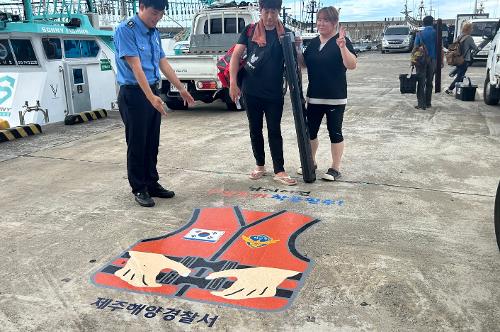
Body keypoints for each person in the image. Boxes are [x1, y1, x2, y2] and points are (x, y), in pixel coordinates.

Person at [114, 0, 195, 207]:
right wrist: (150, 97)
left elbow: (163, 62)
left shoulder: (153, 32)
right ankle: (139, 188)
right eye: (153, 13)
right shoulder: (126, 30)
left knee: (152, 142)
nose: (157, 18)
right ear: (141, 7)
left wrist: (181, 88)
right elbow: (135, 67)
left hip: (152, 91)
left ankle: (152, 183)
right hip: (134, 94)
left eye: (160, 14)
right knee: (137, 143)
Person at [229, 0, 297, 186]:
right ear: (260, 10)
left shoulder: (286, 34)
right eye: (266, 11)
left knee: (275, 130)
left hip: (274, 92)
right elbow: (236, 56)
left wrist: (297, 47)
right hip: (251, 91)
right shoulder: (250, 31)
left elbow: (295, 63)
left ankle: (279, 169)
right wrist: (233, 83)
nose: (269, 17)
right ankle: (260, 165)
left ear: (278, 12)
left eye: (273, 12)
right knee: (255, 129)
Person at [296, 6, 357, 181]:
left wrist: (343, 47)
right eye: (319, 20)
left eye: (326, 20)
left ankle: (335, 168)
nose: (321, 23)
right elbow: (304, 64)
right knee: (311, 132)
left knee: (335, 132)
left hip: (335, 97)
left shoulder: (341, 40)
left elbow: (351, 65)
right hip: (314, 96)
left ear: (334, 23)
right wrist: (299, 49)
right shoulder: (314, 42)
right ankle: (311, 161)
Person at [445, 22, 479, 95]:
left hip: (458, 58)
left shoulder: (459, 36)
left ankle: (458, 90)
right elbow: (475, 48)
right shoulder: (469, 38)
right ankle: (450, 89)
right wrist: (477, 48)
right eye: (471, 28)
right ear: (469, 29)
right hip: (464, 59)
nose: (472, 30)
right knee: (460, 76)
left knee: (460, 74)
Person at [413, 16, 437, 110]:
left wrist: (413, 60)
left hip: (421, 61)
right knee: (429, 82)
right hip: (433, 60)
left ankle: (421, 104)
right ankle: (428, 102)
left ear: (423, 23)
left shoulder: (420, 34)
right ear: (432, 22)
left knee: (421, 82)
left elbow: (415, 47)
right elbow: (440, 47)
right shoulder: (436, 33)